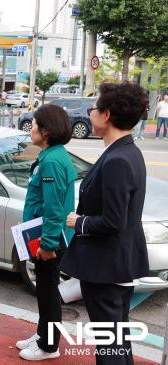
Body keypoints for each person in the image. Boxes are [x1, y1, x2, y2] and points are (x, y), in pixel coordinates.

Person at [61, 81, 149, 365]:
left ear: (107, 114)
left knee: (109, 343)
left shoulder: (118, 159)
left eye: (94, 107)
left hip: (106, 266)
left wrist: (80, 222)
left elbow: (114, 221)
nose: (90, 113)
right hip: (115, 262)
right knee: (116, 339)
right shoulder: (126, 151)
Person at [16, 104, 76, 361]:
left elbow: (54, 208)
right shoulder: (51, 155)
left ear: (47, 130)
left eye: (36, 124)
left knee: (49, 293)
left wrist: (48, 244)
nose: (32, 128)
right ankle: (43, 334)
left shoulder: (52, 161)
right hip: (44, 235)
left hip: (49, 238)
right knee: (44, 290)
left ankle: (49, 346)